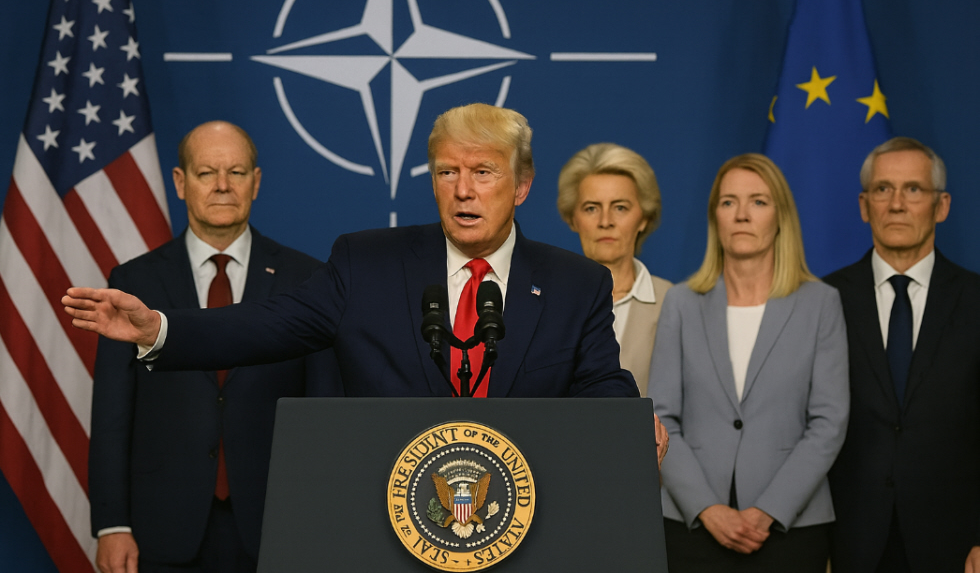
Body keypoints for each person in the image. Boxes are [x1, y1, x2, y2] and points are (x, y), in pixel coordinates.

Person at [64, 104, 641, 401]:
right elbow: (265, 325)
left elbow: (601, 383)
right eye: (447, 172)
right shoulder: (367, 265)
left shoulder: (574, 284)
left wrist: (631, 421)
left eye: (483, 172)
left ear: (522, 186)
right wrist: (159, 329)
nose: (463, 190)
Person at [89, 121, 342, 573]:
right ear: (180, 182)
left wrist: (321, 518)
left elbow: (324, 414)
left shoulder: (307, 279)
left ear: (256, 182)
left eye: (236, 172)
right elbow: (111, 414)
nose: (223, 185)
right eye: (207, 173)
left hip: (279, 524)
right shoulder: (133, 282)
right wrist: (112, 524)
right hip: (162, 525)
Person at [650, 153, 849, 572]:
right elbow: (661, 418)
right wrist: (707, 508)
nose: (742, 214)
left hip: (790, 528)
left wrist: (769, 510)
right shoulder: (681, 303)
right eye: (729, 202)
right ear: (715, 217)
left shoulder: (820, 303)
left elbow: (829, 422)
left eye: (758, 201)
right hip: (692, 525)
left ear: (781, 217)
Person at [824, 137, 980, 573]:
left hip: (955, 545)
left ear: (941, 206)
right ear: (864, 205)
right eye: (882, 189)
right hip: (846, 542)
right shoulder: (822, 299)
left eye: (913, 189)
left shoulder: (976, 300)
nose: (896, 204)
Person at [557, 142, 672, 395]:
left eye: (620, 207)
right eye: (591, 208)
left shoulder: (675, 303)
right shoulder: (550, 300)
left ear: (644, 217)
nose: (605, 221)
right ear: (572, 218)